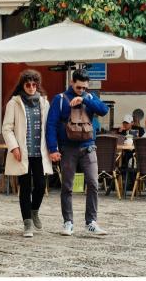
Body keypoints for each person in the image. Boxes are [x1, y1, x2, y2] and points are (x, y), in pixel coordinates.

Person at [46, 67, 109, 237]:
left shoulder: (89, 97)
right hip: (68, 148)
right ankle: (68, 222)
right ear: (72, 82)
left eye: (84, 87)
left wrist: (85, 100)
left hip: (88, 146)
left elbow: (104, 110)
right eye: (78, 87)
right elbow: (50, 125)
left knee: (93, 184)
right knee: (67, 186)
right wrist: (53, 149)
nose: (81, 90)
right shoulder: (59, 99)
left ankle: (91, 222)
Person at [2, 69, 53, 238]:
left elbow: (49, 128)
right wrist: (14, 147)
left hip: (39, 152)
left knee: (40, 185)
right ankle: (27, 224)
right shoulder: (14, 103)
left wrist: (54, 149)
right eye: (28, 84)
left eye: (34, 84)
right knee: (25, 187)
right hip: (22, 153)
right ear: (22, 85)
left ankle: (34, 210)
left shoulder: (44, 103)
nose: (31, 87)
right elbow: (7, 128)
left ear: (37, 85)